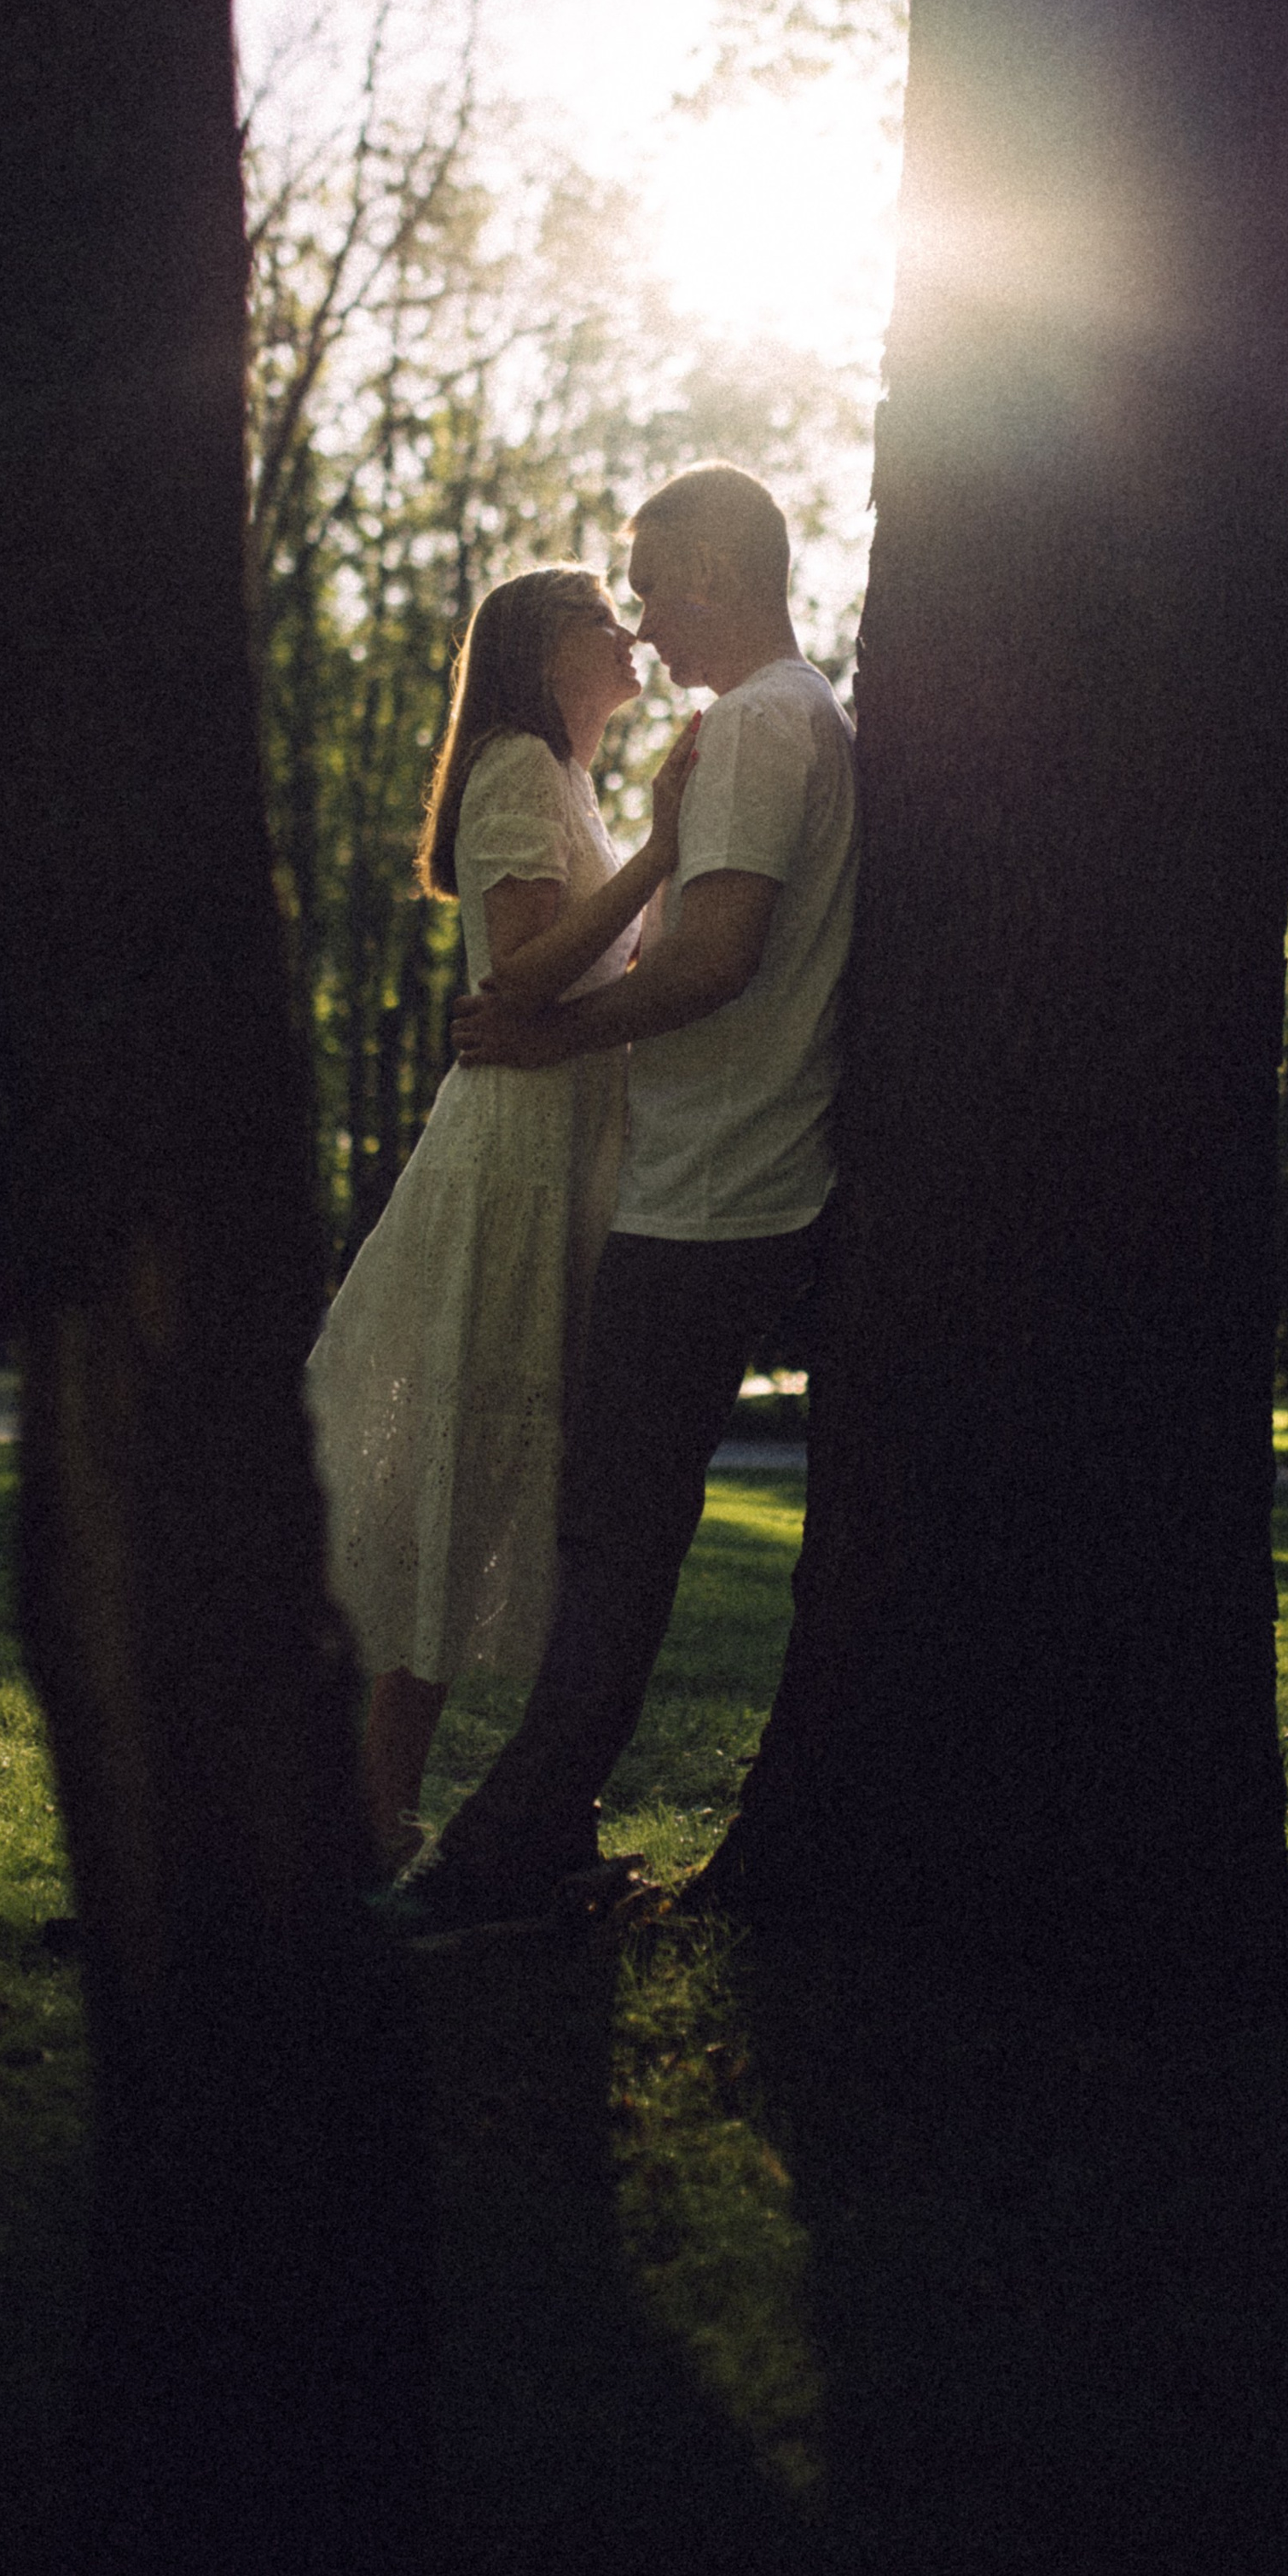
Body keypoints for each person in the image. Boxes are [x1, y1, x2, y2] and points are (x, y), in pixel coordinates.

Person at [393, 460, 857, 1928]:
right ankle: (537, 1826)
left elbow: (712, 963)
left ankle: (513, 1837)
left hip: (713, 1192)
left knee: (613, 1533)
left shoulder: (766, 726)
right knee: (616, 1526)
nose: (646, 622)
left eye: (654, 582)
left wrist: (545, 1031)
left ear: (718, 568)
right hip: (709, 1176)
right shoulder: (774, 724)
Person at [308, 565, 699, 1872]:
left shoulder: (563, 783)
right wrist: (663, 846)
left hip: (575, 1147)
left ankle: (400, 1810)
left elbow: (587, 969)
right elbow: (522, 974)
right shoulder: (519, 771)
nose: (632, 631)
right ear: (545, 648)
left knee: (516, 1479)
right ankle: (374, 1810)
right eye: (606, 614)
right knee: (470, 1477)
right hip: (518, 1164)